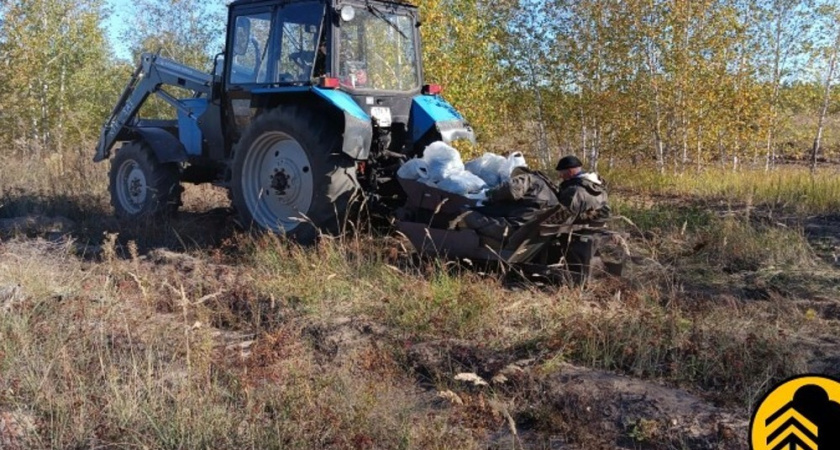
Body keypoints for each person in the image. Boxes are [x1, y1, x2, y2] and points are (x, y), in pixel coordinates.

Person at [554, 155, 610, 226]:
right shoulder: (598, 186)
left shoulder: (573, 191)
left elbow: (563, 218)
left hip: (578, 231)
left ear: (570, 171)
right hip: (599, 226)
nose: (560, 176)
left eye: (561, 173)